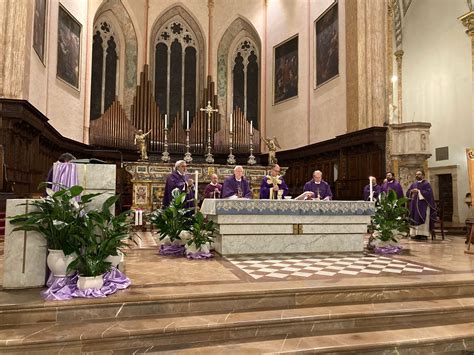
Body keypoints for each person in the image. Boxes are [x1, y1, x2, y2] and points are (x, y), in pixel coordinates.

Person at [406, 170, 437, 240]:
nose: (417, 175)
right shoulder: (414, 184)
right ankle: (415, 234)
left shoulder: (426, 184)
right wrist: (411, 191)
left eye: (419, 174)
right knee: (414, 218)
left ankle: (423, 234)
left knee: (423, 217)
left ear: (423, 175)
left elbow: (429, 194)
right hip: (414, 205)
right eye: (416, 174)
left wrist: (419, 191)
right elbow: (408, 192)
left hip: (423, 205)